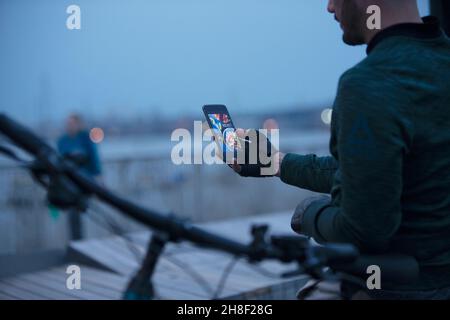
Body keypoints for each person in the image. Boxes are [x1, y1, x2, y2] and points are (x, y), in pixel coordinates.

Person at [231, 0, 450, 299]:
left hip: (397, 289)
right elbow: (374, 172)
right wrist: (274, 162)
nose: (330, 7)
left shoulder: (368, 84)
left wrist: (310, 214)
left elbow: (363, 232)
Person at [57, 114, 102, 240]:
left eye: (72, 123)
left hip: (85, 182)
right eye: (68, 123)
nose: (69, 126)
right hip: (69, 183)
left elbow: (94, 158)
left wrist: (98, 177)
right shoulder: (62, 141)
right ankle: (77, 242)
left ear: (78, 124)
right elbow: (59, 160)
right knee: (73, 214)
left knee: (86, 210)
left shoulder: (85, 138)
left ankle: (87, 243)